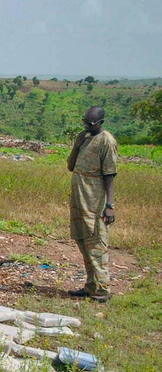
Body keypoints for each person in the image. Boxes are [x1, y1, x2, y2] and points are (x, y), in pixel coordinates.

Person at [67, 106, 118, 302]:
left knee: (96, 242)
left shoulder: (107, 141)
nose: (86, 126)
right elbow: (71, 166)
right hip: (79, 199)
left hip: (94, 200)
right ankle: (90, 285)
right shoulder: (85, 138)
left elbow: (110, 175)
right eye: (85, 122)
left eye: (90, 123)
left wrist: (109, 205)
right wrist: (77, 145)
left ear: (101, 122)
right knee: (83, 241)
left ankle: (103, 290)